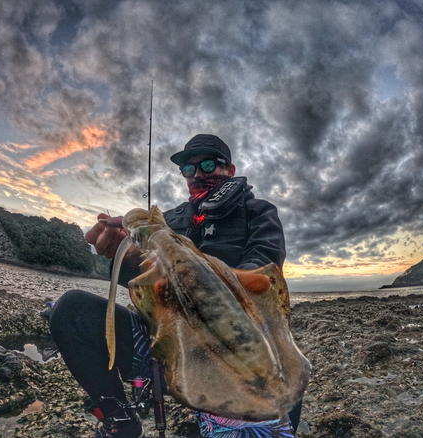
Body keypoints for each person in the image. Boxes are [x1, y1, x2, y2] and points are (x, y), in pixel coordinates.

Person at [49, 134, 301, 438]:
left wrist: (192, 272)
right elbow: (138, 282)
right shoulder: (170, 221)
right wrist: (124, 253)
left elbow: (263, 275)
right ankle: (120, 419)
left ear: (230, 170)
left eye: (208, 165)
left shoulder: (258, 211)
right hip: (167, 348)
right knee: (71, 310)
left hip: (234, 354)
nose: (197, 175)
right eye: (188, 170)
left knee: (280, 388)